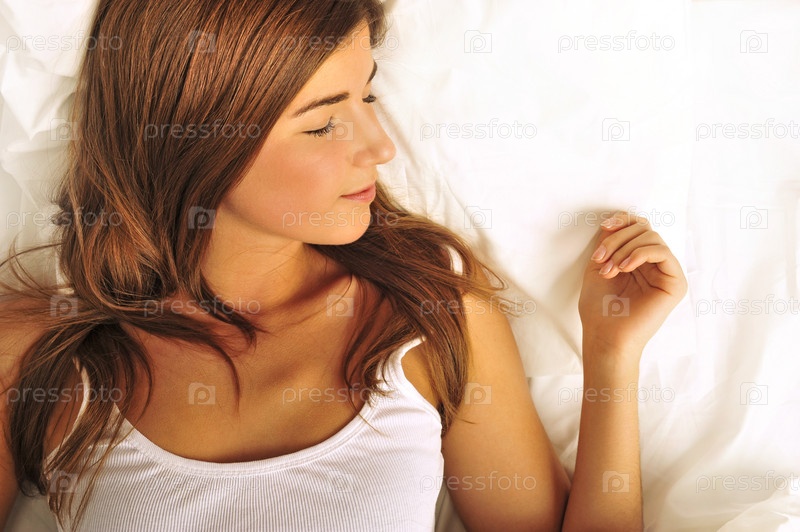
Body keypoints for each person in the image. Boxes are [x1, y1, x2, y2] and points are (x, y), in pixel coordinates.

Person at [0, 0, 688, 530]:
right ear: (198, 142)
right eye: (324, 122)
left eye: (368, 96)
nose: (381, 146)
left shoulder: (427, 314)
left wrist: (611, 355)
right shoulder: (39, 355)